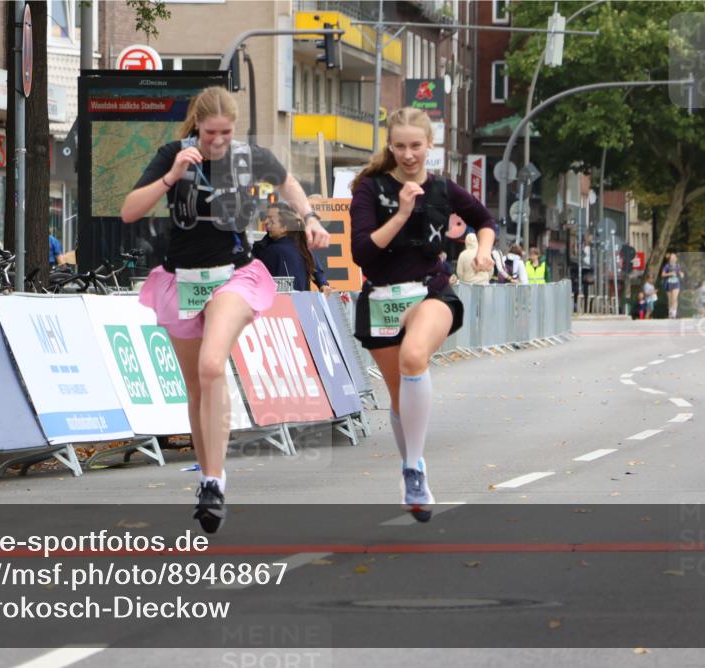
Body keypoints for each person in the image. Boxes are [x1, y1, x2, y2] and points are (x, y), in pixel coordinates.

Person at [121, 86, 329, 532]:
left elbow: (287, 180)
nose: (217, 140)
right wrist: (171, 176)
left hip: (232, 275)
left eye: (226, 132)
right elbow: (128, 211)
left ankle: (214, 481)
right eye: (211, 132)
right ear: (197, 124)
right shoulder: (173, 154)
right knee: (196, 388)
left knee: (214, 366)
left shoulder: (246, 156)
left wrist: (309, 218)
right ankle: (207, 478)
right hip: (181, 279)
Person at [349, 106, 496, 520]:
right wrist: (399, 213)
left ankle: (413, 467)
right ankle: (414, 470)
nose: (408, 155)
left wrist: (483, 250)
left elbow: (484, 220)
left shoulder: (442, 188)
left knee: (415, 357)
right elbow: (362, 252)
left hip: (431, 293)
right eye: (400, 146)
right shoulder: (369, 188)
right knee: (399, 399)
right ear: (390, 146)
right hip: (380, 299)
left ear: (429, 145)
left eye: (416, 146)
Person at [252, 202, 332, 294]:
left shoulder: (272, 251)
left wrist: (323, 283)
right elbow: (316, 268)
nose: (265, 222)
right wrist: (323, 283)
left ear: (285, 227)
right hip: (302, 305)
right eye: (266, 218)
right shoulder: (302, 247)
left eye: (271, 220)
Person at [661, 252, 684, 319]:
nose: (673, 258)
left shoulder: (678, 266)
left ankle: (674, 313)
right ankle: (670, 312)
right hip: (668, 283)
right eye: (672, 257)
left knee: (675, 298)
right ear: (670, 259)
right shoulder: (667, 266)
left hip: (676, 283)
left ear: (676, 259)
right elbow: (662, 274)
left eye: (674, 257)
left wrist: (681, 274)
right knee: (670, 299)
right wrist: (670, 273)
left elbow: (680, 272)